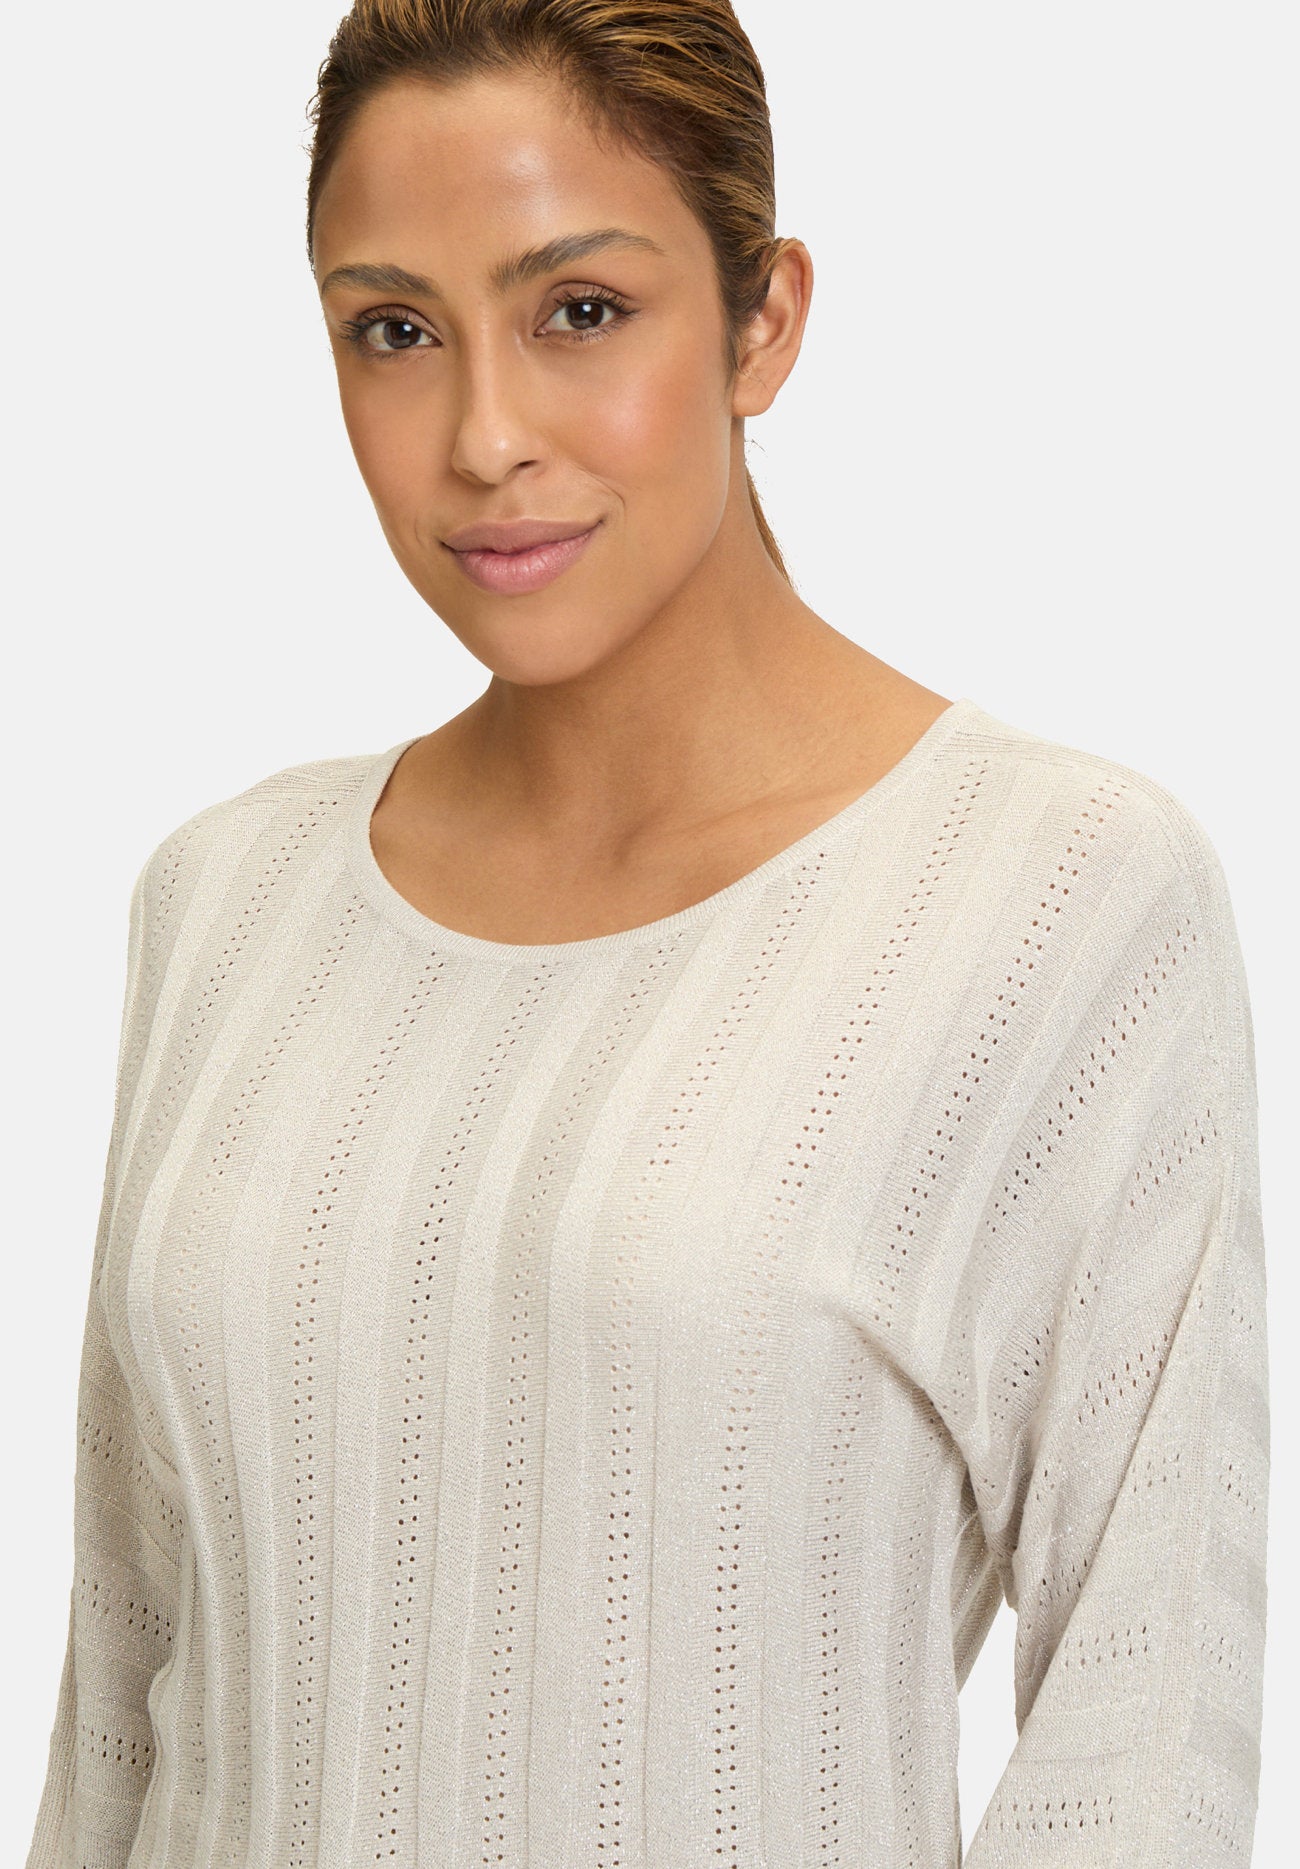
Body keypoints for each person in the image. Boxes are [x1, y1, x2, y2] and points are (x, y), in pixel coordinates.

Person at [25, 2, 1268, 1864]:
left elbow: (1143, 1736)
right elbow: (120, 1701)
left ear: (765, 320)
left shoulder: (1057, 891)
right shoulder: (226, 901)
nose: (484, 437)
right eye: (394, 330)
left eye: (582, 310)